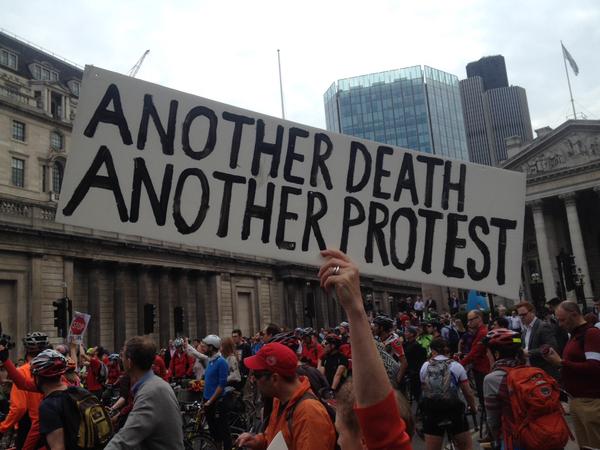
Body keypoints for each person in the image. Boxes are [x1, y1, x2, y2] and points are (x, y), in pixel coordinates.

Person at [317, 248, 412, 449]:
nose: (338, 442)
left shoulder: (394, 341)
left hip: (388, 386)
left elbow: (380, 425)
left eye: (340, 434)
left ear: (364, 441)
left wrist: (355, 310)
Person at [235, 342, 337, 450]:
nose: (253, 380)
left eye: (256, 375)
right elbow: (275, 439)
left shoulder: (309, 412)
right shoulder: (279, 400)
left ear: (274, 379)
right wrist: (258, 441)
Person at [104, 336, 183, 449]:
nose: (121, 359)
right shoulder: (154, 385)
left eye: (123, 356)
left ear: (130, 362)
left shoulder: (151, 392)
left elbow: (125, 438)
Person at [543, 301, 600, 450]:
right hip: (576, 400)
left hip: (591, 401)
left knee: (595, 445)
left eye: (562, 319)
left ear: (574, 315)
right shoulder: (575, 335)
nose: (560, 324)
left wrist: (562, 363)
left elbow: (595, 367)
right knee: (586, 446)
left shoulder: (591, 333)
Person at [420, 338, 477, 450]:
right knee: (465, 447)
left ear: (433, 351)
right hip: (454, 409)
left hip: (432, 410)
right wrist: (473, 407)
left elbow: (424, 390)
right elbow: (468, 392)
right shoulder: (456, 366)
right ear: (448, 351)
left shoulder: (425, 366)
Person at [0, 332, 47, 450]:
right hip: (52, 426)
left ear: (26, 351)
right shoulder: (51, 369)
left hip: (30, 427)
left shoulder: (23, 371)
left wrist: (3, 427)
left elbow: (19, 407)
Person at [482, 328, 525, 449]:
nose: (486, 355)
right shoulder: (530, 370)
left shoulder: (492, 379)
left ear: (496, 354)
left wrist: (495, 438)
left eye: (488, 352)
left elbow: (493, 420)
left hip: (514, 438)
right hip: (541, 434)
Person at [202, 334, 232, 450]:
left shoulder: (221, 362)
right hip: (208, 400)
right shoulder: (210, 361)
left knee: (223, 431)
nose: (203, 348)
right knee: (214, 431)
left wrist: (210, 400)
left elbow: (221, 385)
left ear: (211, 347)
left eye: (205, 346)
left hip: (217, 402)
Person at [515, 301, 559, 379]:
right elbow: (523, 345)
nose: (522, 317)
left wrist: (529, 353)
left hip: (545, 372)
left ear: (532, 312)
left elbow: (552, 346)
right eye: (520, 315)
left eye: (524, 314)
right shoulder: (525, 330)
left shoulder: (543, 326)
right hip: (532, 372)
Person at [459, 309, 490, 409]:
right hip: (480, 368)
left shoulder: (482, 332)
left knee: (483, 396)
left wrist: (460, 364)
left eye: (470, 320)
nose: (468, 323)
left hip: (482, 369)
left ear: (479, 318)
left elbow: (475, 352)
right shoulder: (480, 331)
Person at [372, 315, 408, 384]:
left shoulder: (394, 341)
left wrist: (397, 380)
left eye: (376, 326)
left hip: (392, 376)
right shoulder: (377, 339)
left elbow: (404, 363)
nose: (374, 328)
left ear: (381, 328)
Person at [403, 325, 427, 402]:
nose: (405, 333)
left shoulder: (417, 346)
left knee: (417, 393)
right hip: (408, 370)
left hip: (414, 372)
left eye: (407, 332)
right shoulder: (405, 344)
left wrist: (415, 371)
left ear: (412, 334)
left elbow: (420, 360)